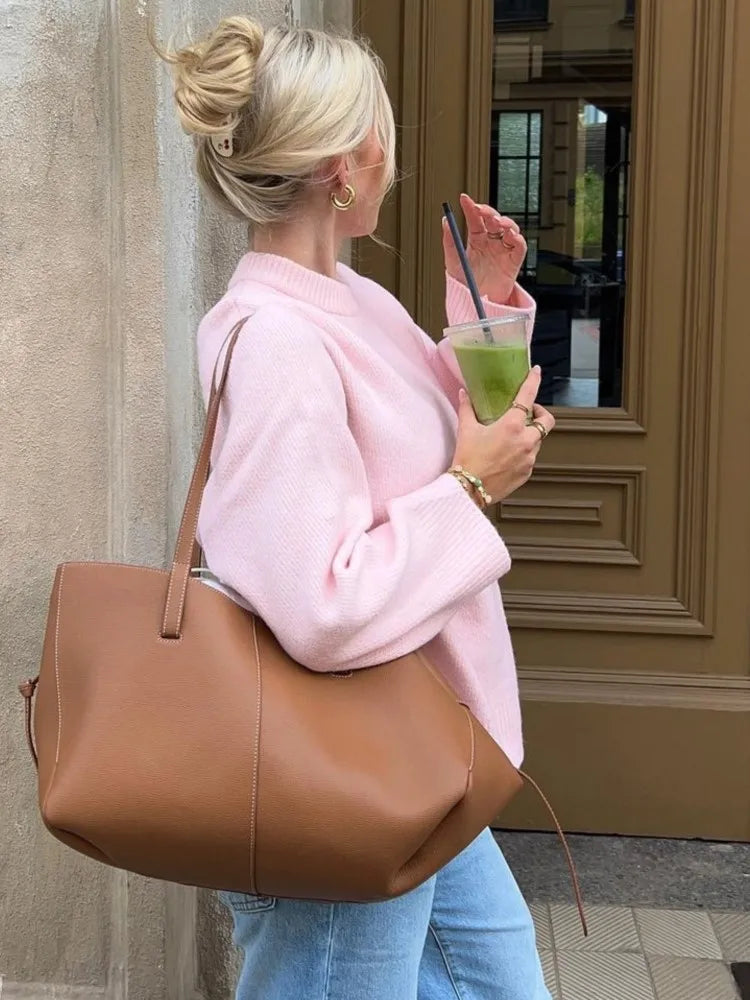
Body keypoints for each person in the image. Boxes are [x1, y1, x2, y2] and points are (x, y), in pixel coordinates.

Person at [159, 16, 555, 1000]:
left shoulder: (353, 302)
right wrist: (470, 488)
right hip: (337, 766)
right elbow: (321, 605)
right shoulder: (280, 340)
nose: (395, 154)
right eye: (383, 131)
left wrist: (488, 302)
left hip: (414, 744)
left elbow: (465, 426)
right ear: (347, 165)